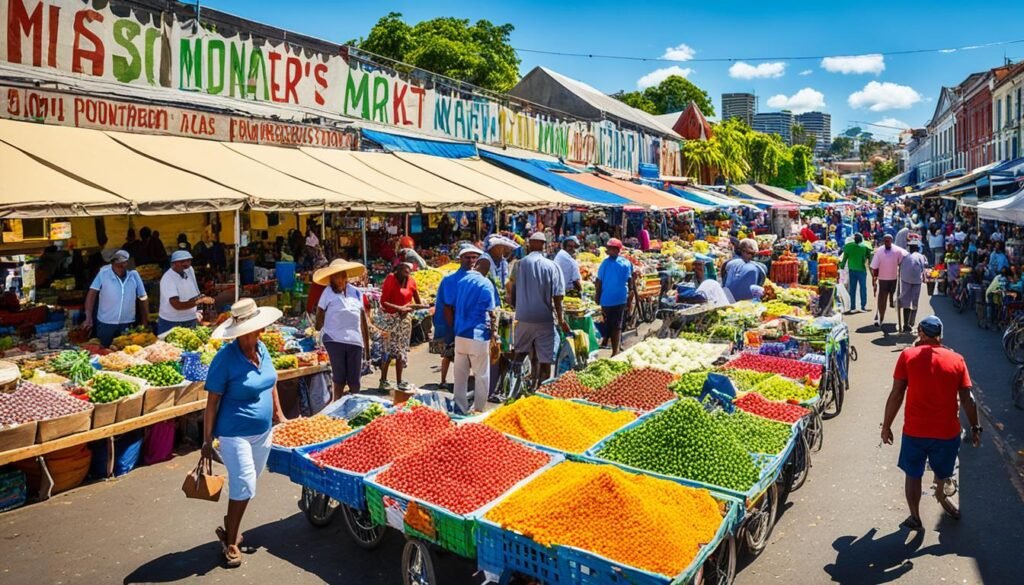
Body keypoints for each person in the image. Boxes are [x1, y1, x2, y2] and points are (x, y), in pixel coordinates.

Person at [203, 298, 288, 567]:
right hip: (233, 432)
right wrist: (206, 441)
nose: (257, 332)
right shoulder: (224, 359)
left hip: (263, 432)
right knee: (245, 482)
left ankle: (230, 523)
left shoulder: (262, 350)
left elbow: (271, 383)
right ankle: (230, 542)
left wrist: (279, 414)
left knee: (248, 484)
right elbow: (212, 402)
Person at [881, 316, 981, 530]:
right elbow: (968, 399)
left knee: (913, 475)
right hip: (947, 433)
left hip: (915, 432)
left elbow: (897, 394)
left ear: (920, 333)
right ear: (940, 336)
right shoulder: (957, 359)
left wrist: (887, 425)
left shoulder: (908, 356)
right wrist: (975, 427)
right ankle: (942, 494)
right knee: (943, 472)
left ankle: (915, 517)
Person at [509, 232, 569, 384]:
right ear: (544, 245)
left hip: (523, 317)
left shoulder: (519, 264)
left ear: (529, 244)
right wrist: (561, 319)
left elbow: (512, 290)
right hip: (544, 319)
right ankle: (541, 389)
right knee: (545, 359)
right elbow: (557, 296)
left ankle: (512, 385)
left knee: (520, 352)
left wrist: (518, 308)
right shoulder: (551, 266)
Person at [313, 259, 370, 399]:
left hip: (355, 341)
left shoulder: (356, 293)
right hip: (333, 339)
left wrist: (367, 350)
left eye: (338, 276)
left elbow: (363, 322)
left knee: (355, 382)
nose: (335, 280)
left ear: (345, 277)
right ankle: (337, 409)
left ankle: (355, 407)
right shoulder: (327, 292)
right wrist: (318, 327)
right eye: (333, 277)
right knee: (339, 379)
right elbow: (319, 314)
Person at [450, 256, 499, 413]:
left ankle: (460, 407)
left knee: (460, 375)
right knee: (481, 375)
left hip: (460, 334)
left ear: (476, 266)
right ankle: (478, 408)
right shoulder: (486, 284)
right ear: (487, 271)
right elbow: (492, 312)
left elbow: (453, 305)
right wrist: (494, 334)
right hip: (478, 336)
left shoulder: (462, 282)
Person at [433, 247, 479, 390]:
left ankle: (465, 382)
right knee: (448, 353)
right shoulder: (450, 280)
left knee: (469, 356)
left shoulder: (478, 279)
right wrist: (454, 328)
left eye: (473, 257)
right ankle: (443, 380)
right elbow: (447, 307)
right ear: (460, 259)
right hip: (453, 325)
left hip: (470, 325)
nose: (471, 260)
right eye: (467, 257)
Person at [83, 250, 149, 347]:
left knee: (126, 352)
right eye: (117, 265)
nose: (120, 268)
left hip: (127, 322)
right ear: (112, 263)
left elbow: (143, 297)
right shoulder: (103, 273)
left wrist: (145, 321)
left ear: (126, 263)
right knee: (104, 350)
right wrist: (88, 317)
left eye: (123, 264)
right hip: (106, 323)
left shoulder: (133, 274)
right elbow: (92, 293)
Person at [376, 262, 424, 391]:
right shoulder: (391, 279)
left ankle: (399, 381)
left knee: (401, 351)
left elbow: (417, 302)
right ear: (397, 271)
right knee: (388, 350)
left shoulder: (411, 282)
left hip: (404, 321)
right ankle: (383, 380)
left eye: (408, 272)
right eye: (404, 271)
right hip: (390, 320)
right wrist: (399, 308)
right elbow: (383, 301)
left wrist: (416, 307)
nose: (406, 275)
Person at [595, 238, 635, 356]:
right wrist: (598, 296)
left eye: (612, 249)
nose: (609, 251)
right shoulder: (605, 264)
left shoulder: (624, 263)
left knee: (616, 325)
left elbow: (630, 281)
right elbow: (599, 282)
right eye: (609, 249)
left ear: (617, 250)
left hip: (619, 298)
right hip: (607, 299)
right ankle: (610, 344)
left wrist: (630, 296)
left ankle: (615, 350)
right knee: (610, 323)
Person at [157, 251, 214, 334]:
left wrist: (198, 311)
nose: (186, 264)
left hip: (190, 319)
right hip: (172, 322)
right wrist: (200, 300)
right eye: (182, 262)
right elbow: (177, 305)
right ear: (173, 264)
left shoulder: (189, 270)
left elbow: (194, 292)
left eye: (188, 261)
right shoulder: (168, 279)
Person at [870, 234, 906, 329]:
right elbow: (874, 266)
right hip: (883, 279)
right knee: (882, 299)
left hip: (894, 279)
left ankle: (891, 303)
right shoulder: (879, 251)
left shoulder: (898, 251)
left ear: (891, 241)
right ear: (883, 241)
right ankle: (881, 318)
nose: (887, 242)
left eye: (888, 240)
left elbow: (903, 260)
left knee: (893, 296)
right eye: (885, 240)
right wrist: (874, 277)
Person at [898, 238, 929, 332]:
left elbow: (900, 266)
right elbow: (923, 267)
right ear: (917, 248)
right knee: (914, 302)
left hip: (905, 280)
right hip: (916, 281)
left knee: (906, 302)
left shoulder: (905, 256)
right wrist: (924, 278)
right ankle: (911, 322)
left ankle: (906, 324)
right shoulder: (921, 256)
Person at [840, 233, 873, 313]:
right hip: (862, 271)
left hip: (852, 270)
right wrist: (872, 270)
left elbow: (844, 259)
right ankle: (863, 306)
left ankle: (852, 307)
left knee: (852, 289)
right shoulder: (865, 248)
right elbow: (870, 259)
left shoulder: (848, 247)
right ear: (861, 240)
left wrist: (841, 267)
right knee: (863, 288)